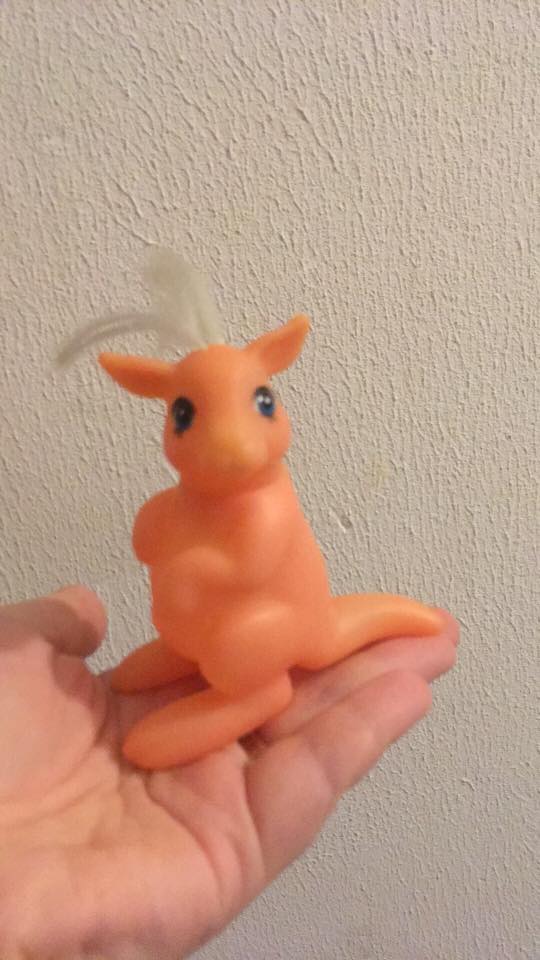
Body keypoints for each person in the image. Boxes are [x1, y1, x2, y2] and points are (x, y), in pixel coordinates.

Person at [0, 585, 457, 959]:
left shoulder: (262, 521)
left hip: (248, 645)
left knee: (233, 672)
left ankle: (254, 696)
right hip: (203, 637)